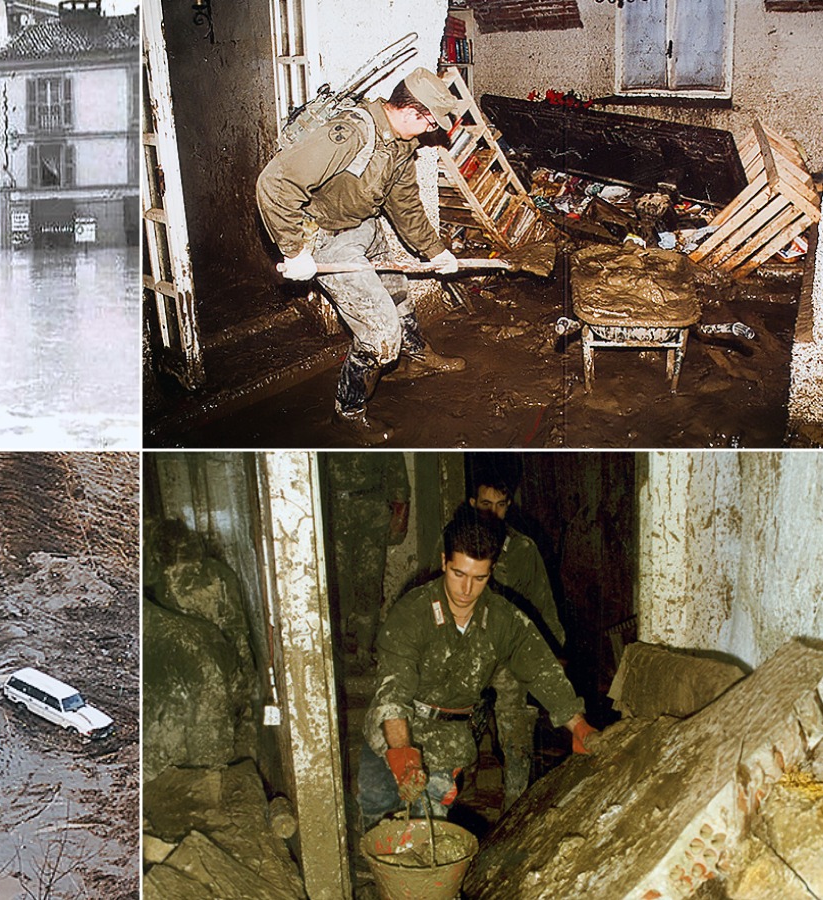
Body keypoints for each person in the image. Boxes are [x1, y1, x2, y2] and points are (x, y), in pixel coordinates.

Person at [256, 68, 468, 444]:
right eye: (429, 124)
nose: (429, 133)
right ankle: (348, 411)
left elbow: (404, 204)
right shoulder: (352, 133)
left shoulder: (401, 144)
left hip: (362, 227)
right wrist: (294, 250)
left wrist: (436, 252)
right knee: (380, 333)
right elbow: (274, 183)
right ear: (413, 113)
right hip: (326, 239)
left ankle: (414, 355)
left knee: (397, 293)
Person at [360, 506, 596, 826]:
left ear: (492, 571)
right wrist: (402, 751)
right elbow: (393, 692)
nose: (466, 589)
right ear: (445, 561)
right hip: (392, 732)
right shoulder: (411, 614)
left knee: (425, 832)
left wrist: (578, 725)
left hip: (447, 741)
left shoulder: (503, 620)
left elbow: (541, 670)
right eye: (459, 574)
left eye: (479, 578)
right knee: (376, 819)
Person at [467, 458, 568, 809]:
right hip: (470, 655)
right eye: (485, 505)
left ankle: (514, 810)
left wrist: (553, 651)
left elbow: (542, 603)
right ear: (472, 504)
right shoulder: (459, 546)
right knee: (463, 732)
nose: (493, 514)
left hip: (513, 655)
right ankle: (463, 793)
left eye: (501, 505)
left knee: (517, 736)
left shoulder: (524, 550)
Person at [322, 453, 410, 673]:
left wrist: (400, 515)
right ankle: (336, 651)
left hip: (372, 516)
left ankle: (364, 650)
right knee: (336, 584)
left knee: (369, 581)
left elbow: (396, 473)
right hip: (332, 513)